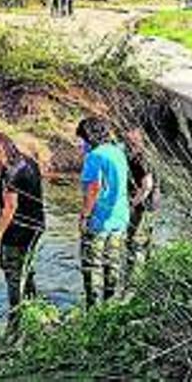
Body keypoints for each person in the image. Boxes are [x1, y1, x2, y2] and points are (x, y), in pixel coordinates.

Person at [0, 133, 45, 326]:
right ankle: (34, 310)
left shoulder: (11, 172)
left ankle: (15, 322)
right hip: (36, 225)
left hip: (18, 230)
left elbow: (10, 208)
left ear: (0, 150)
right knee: (26, 269)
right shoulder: (28, 161)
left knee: (13, 273)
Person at [77, 117, 130, 308]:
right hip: (120, 219)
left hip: (99, 221)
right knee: (112, 264)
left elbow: (93, 189)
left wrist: (84, 216)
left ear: (88, 137)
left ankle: (93, 310)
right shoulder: (118, 151)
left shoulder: (95, 156)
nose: (79, 143)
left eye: (80, 138)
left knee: (92, 266)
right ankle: (111, 306)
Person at [122, 128, 160, 286]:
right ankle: (142, 278)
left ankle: (133, 283)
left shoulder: (141, 158)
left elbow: (147, 186)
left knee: (136, 243)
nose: (125, 144)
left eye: (128, 142)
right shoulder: (145, 154)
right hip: (150, 205)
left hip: (144, 206)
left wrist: (132, 204)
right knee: (144, 242)